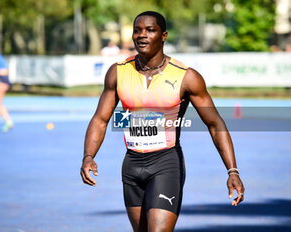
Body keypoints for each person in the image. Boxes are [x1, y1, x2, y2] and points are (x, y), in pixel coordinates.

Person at [80, 11, 244, 231]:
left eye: (150, 30)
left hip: (166, 164)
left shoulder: (186, 77)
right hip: (131, 165)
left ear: (164, 35)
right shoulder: (117, 72)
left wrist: (232, 171)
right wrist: (88, 156)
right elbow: (100, 119)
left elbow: (215, 124)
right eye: (137, 30)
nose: (142, 35)